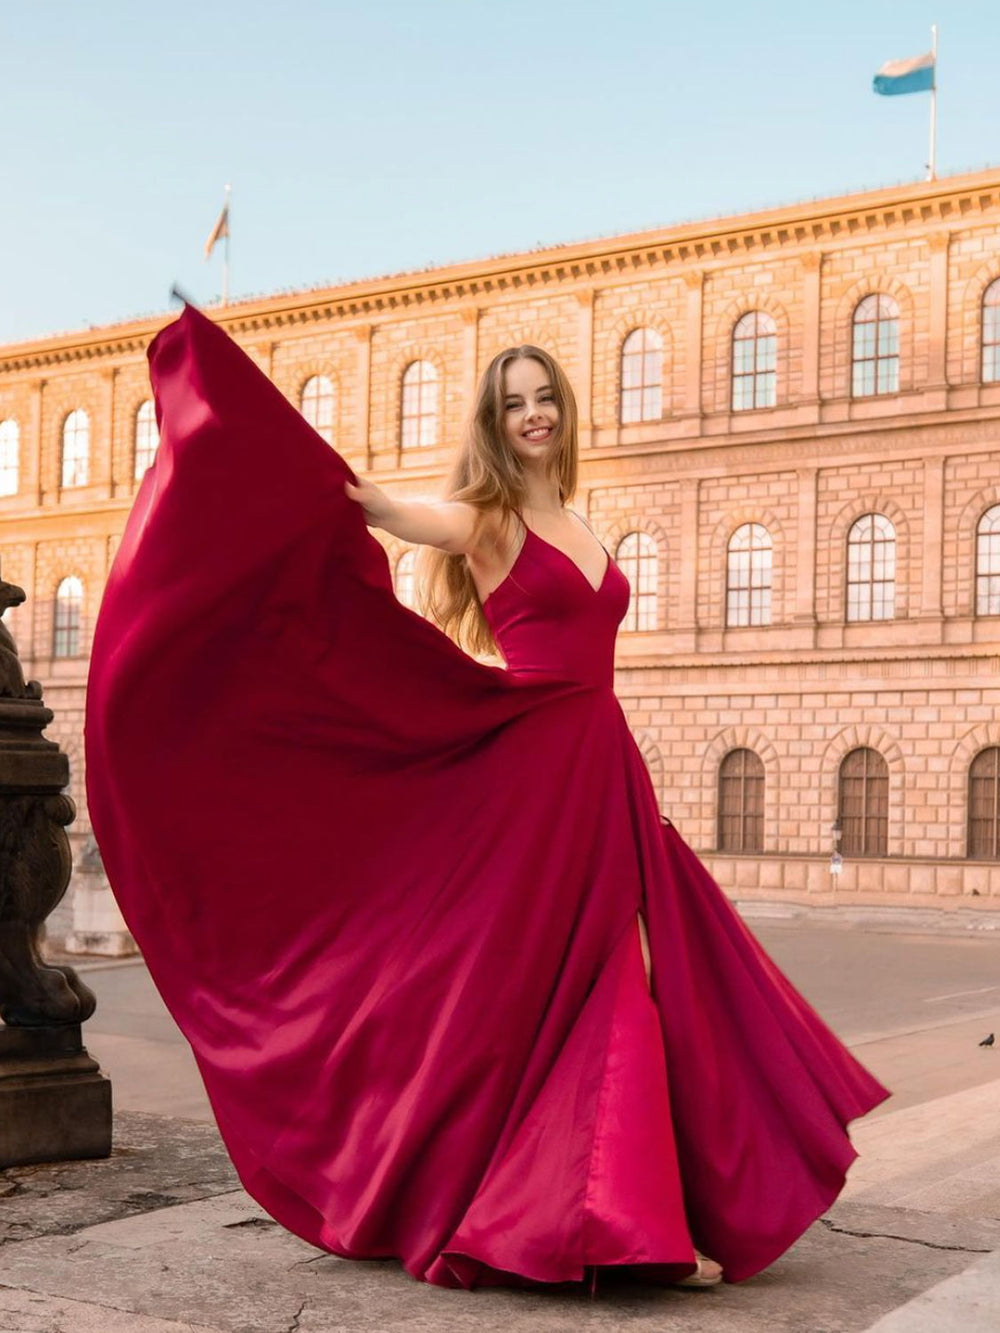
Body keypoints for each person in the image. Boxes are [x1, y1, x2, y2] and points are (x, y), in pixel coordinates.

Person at [85, 305, 890, 1297]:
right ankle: (625, 1224)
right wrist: (256, 431)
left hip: (602, 761)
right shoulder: (489, 520)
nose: (534, 413)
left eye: (544, 397)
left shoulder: (578, 521)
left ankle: (654, 1215)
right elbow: (379, 507)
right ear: (494, 422)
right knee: (603, 974)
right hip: (539, 769)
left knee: (643, 971)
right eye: (514, 404)